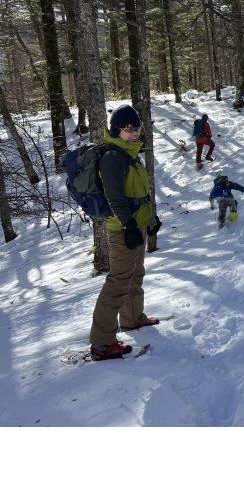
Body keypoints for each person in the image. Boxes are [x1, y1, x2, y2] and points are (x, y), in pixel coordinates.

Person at [89, 105, 162, 360]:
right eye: (128, 129)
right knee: (118, 281)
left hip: (136, 224)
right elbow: (114, 196)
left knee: (136, 273)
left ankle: (132, 319)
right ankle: (101, 342)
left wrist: (151, 218)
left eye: (137, 128)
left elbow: (140, 192)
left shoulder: (131, 154)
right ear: (116, 130)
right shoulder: (113, 157)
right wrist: (129, 225)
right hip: (123, 229)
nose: (134, 133)